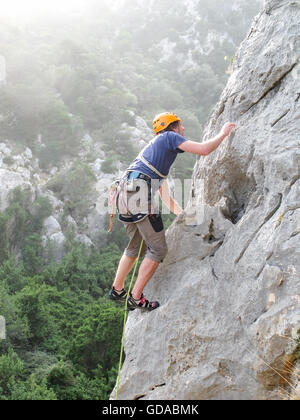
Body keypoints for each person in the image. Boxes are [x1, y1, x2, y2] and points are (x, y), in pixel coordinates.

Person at [109, 112, 235, 311]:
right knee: (158, 249)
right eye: (180, 126)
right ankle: (136, 297)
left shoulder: (155, 155)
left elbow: (166, 198)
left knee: (136, 247)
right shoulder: (169, 137)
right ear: (172, 127)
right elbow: (204, 150)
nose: (183, 130)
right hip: (138, 192)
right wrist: (223, 133)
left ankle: (117, 289)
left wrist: (184, 215)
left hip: (122, 194)